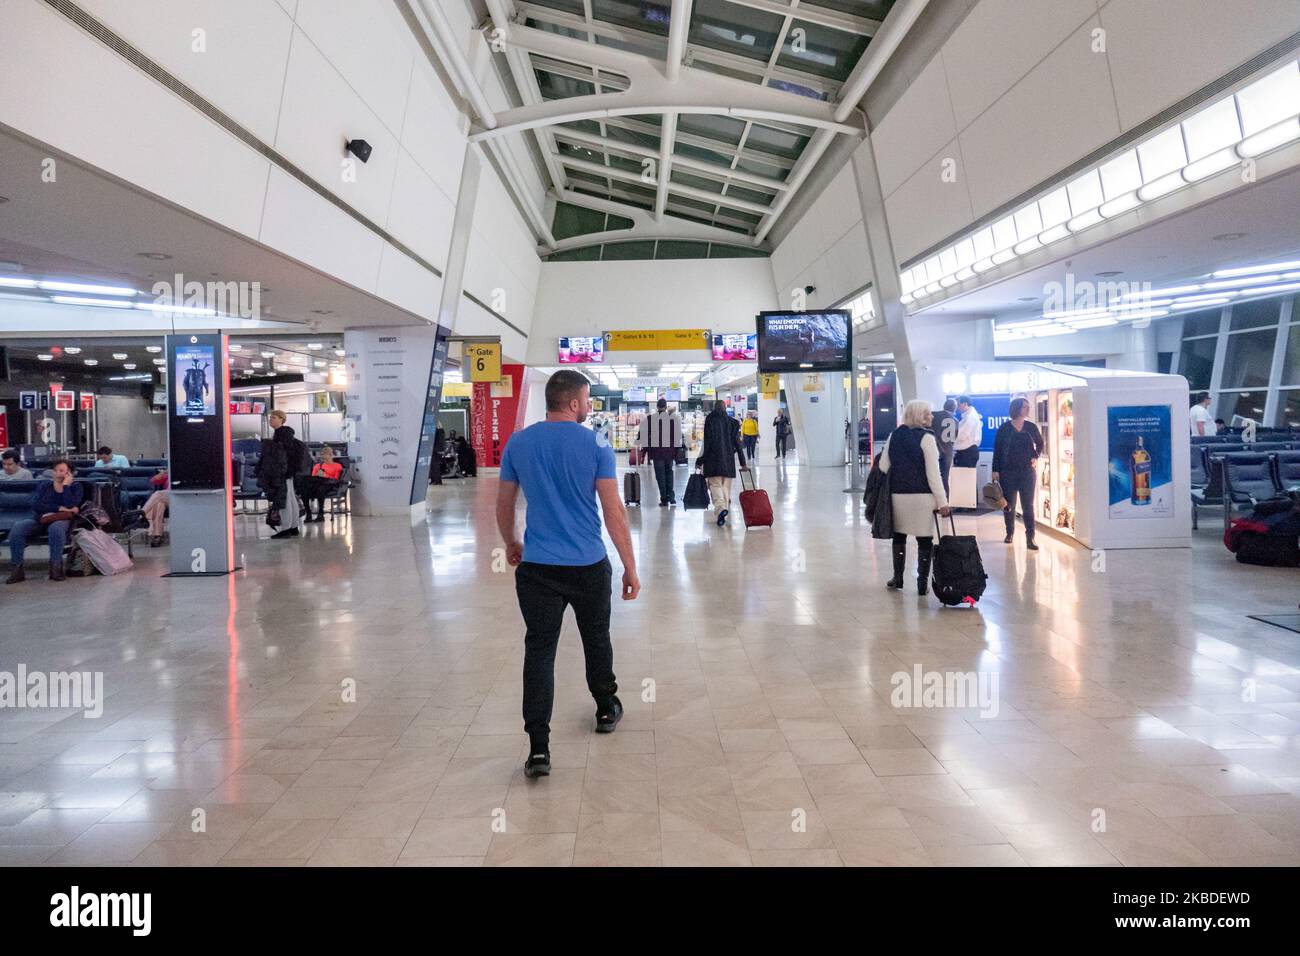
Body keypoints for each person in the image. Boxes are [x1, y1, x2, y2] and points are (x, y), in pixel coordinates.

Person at [495, 369, 639, 780]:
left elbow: (504, 505)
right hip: (588, 564)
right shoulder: (595, 442)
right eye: (588, 399)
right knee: (596, 637)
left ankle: (538, 748)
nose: (590, 406)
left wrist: (511, 542)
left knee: (539, 650)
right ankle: (606, 706)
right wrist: (629, 566)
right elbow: (614, 512)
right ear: (573, 403)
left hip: (538, 567)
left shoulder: (519, 442)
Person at [878, 401, 951, 594]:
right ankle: (921, 583)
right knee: (925, 540)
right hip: (923, 498)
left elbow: (883, 466)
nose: (932, 417)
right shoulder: (927, 438)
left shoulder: (894, 435)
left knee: (899, 537)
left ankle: (898, 578)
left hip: (898, 495)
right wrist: (943, 501)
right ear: (920, 417)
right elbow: (933, 475)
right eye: (928, 414)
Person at [6, 459, 83, 583]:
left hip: (61, 520)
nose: (58, 473)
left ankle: (56, 568)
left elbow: (72, 504)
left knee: (56, 528)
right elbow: (36, 505)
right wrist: (59, 508)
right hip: (41, 518)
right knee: (18, 527)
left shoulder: (76, 487)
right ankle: (17, 570)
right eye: (55, 470)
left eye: (62, 470)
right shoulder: (45, 485)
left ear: (70, 473)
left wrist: (65, 487)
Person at [992, 396, 1044, 550]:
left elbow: (1040, 443)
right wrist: (995, 470)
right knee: (1009, 505)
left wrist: (1036, 456)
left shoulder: (1031, 427)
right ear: (1016, 409)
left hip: (1027, 472)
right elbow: (998, 451)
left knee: (1028, 505)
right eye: (1025, 407)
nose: (1028, 409)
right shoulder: (1004, 428)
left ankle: (1030, 538)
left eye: (1028, 407)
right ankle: (1010, 533)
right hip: (1007, 472)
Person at [697, 400, 748, 527]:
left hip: (713, 460)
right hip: (728, 461)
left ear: (715, 408)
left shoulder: (710, 420)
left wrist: (700, 460)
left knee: (715, 485)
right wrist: (743, 462)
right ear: (725, 408)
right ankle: (723, 514)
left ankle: (720, 509)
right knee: (726, 488)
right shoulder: (732, 423)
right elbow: (738, 444)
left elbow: (707, 443)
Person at [640, 397, 681, 507]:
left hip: (657, 453)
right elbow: (677, 436)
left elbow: (643, 436)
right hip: (669, 452)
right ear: (666, 406)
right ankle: (671, 497)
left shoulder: (650, 419)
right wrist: (676, 453)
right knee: (669, 473)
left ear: (657, 407)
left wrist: (645, 452)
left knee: (660, 476)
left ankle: (664, 498)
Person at [298, 445, 343, 522]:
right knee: (304, 489)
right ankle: (308, 513)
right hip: (317, 484)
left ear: (331, 455)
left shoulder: (337, 466)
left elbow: (336, 479)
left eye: (325, 454)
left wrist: (326, 475)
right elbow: (313, 477)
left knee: (321, 488)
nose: (323, 456)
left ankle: (321, 514)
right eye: (322, 454)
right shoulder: (318, 466)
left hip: (330, 485)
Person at [931, 399, 958, 496]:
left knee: (933, 476)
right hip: (948, 452)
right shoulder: (955, 421)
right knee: (945, 478)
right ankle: (946, 502)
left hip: (935, 449)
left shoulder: (933, 415)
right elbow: (954, 439)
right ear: (955, 408)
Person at [952, 396, 982, 467]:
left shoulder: (970, 417)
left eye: (959, 405)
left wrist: (950, 435)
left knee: (965, 477)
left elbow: (961, 436)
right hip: (967, 452)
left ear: (965, 404)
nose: (957, 408)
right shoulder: (970, 416)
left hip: (967, 453)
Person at [143, 470, 169, 547]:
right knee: (159, 504)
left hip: (179, 496)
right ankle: (157, 535)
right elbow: (152, 481)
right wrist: (161, 474)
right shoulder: (170, 472)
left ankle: (141, 514)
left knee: (158, 494)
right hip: (167, 498)